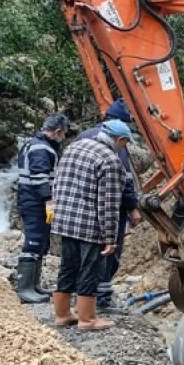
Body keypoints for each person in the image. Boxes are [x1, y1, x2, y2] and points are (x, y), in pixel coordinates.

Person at [50, 119, 129, 331]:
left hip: (65, 220)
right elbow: (109, 204)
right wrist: (110, 238)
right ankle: (87, 319)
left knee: (68, 266)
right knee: (89, 270)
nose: (124, 148)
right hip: (89, 224)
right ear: (120, 139)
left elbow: (56, 183)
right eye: (125, 143)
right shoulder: (110, 160)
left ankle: (62, 314)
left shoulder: (74, 147)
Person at [77, 99, 140, 310]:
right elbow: (125, 181)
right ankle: (101, 299)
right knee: (108, 252)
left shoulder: (82, 137)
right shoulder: (115, 145)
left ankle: (82, 297)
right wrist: (132, 207)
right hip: (110, 207)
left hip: (81, 207)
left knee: (84, 254)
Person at [14, 113, 70, 304]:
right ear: (57, 132)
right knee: (35, 241)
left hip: (34, 200)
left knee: (42, 240)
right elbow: (39, 177)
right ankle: (25, 288)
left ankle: (34, 285)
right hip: (36, 202)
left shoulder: (36, 144)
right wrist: (49, 201)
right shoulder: (41, 148)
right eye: (63, 134)